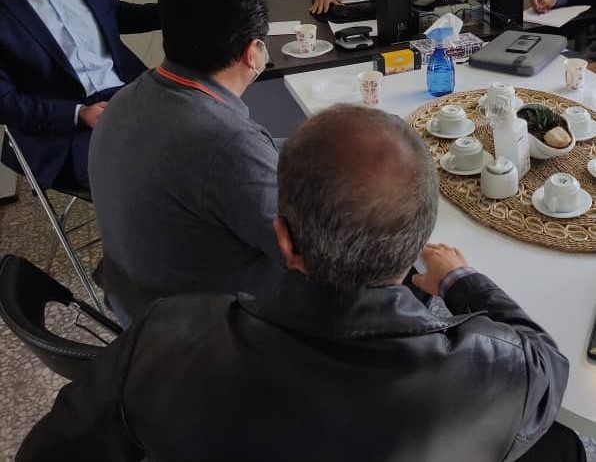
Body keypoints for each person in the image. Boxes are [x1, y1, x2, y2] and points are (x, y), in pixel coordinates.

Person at [18, 105, 584, 461]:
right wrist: (460, 278)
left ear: (284, 239)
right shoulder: (498, 370)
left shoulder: (166, 336)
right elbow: (548, 361)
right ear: (417, 244)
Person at [88, 0, 283, 324]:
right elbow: (301, 251)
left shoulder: (127, 97)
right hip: (207, 331)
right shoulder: (227, 142)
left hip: (140, 304)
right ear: (253, 52)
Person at [0, 0, 160, 189]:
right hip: (63, 127)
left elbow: (113, 14)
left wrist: (179, 10)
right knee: (150, 172)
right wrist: (79, 114)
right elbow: (5, 102)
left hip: (130, 93)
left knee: (213, 136)